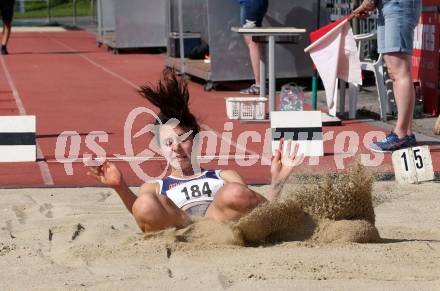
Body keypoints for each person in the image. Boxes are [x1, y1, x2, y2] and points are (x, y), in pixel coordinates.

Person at [85, 69, 302, 233]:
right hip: (181, 227)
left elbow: (258, 213)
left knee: (234, 192)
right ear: (161, 149)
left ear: (196, 142)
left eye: (183, 139)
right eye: (169, 143)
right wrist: (120, 187)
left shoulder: (224, 175)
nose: (177, 147)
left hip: (221, 224)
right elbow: (142, 214)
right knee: (144, 202)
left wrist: (277, 182)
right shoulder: (155, 186)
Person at [355, 0, 421, 152]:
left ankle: (401, 135)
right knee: (393, 70)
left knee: (399, 71)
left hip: (399, 5)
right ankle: (407, 133)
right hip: (386, 6)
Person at [239, 0, 269, 95]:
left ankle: (259, 85)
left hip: (250, 4)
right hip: (256, 3)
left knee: (252, 42)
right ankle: (260, 83)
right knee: (256, 41)